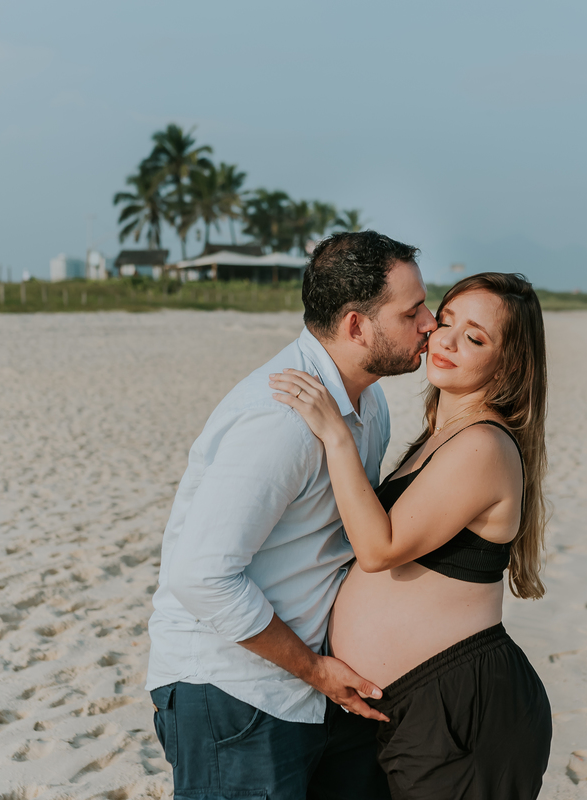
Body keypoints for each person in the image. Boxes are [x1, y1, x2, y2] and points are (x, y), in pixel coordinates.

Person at [145, 231, 437, 799]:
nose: (430, 323)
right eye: (413, 311)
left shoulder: (368, 401)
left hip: (315, 687)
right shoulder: (279, 419)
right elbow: (200, 576)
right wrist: (314, 668)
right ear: (356, 326)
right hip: (235, 692)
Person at [270, 272, 553, 799]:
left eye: (475, 337)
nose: (445, 340)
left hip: (457, 709)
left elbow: (379, 550)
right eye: (445, 321)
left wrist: (336, 435)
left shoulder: (484, 446)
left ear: (510, 363)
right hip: (405, 708)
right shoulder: (440, 438)